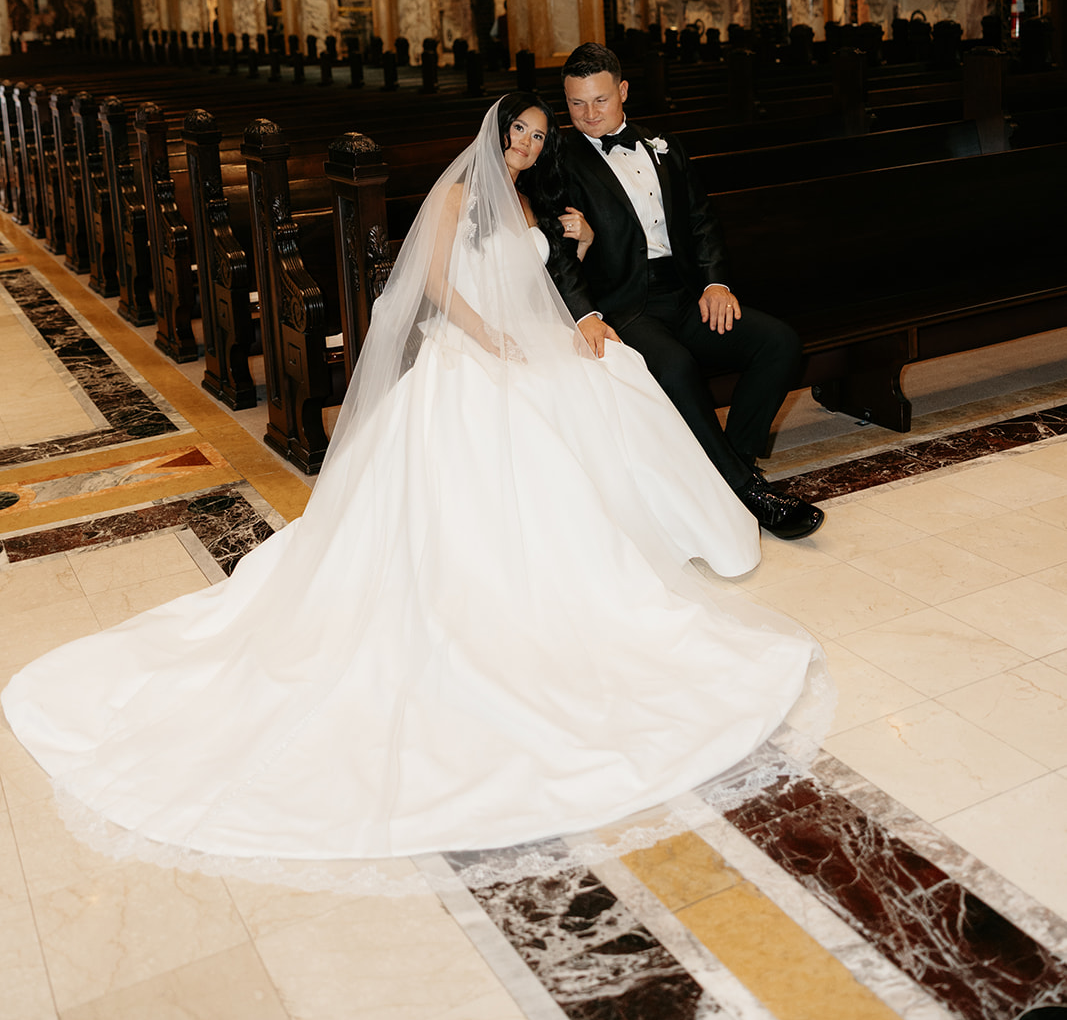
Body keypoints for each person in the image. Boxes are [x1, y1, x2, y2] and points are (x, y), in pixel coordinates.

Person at [1, 96, 823, 885]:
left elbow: (553, 280)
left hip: (528, 341)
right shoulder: (463, 192)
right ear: (497, 131)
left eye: (540, 136)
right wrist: (490, 339)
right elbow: (433, 283)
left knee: (622, 377)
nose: (531, 146)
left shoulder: (534, 204)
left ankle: (678, 519)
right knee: (530, 432)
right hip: (474, 351)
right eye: (523, 132)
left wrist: (572, 278)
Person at [554, 43, 824, 541]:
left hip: (684, 295)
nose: (589, 115)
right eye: (576, 104)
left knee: (778, 342)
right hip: (623, 307)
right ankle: (752, 494)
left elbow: (701, 221)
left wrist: (715, 283)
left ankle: (732, 466)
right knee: (674, 365)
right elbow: (555, 253)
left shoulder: (664, 144)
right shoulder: (559, 161)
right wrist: (584, 314)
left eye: (600, 100)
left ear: (623, 91)